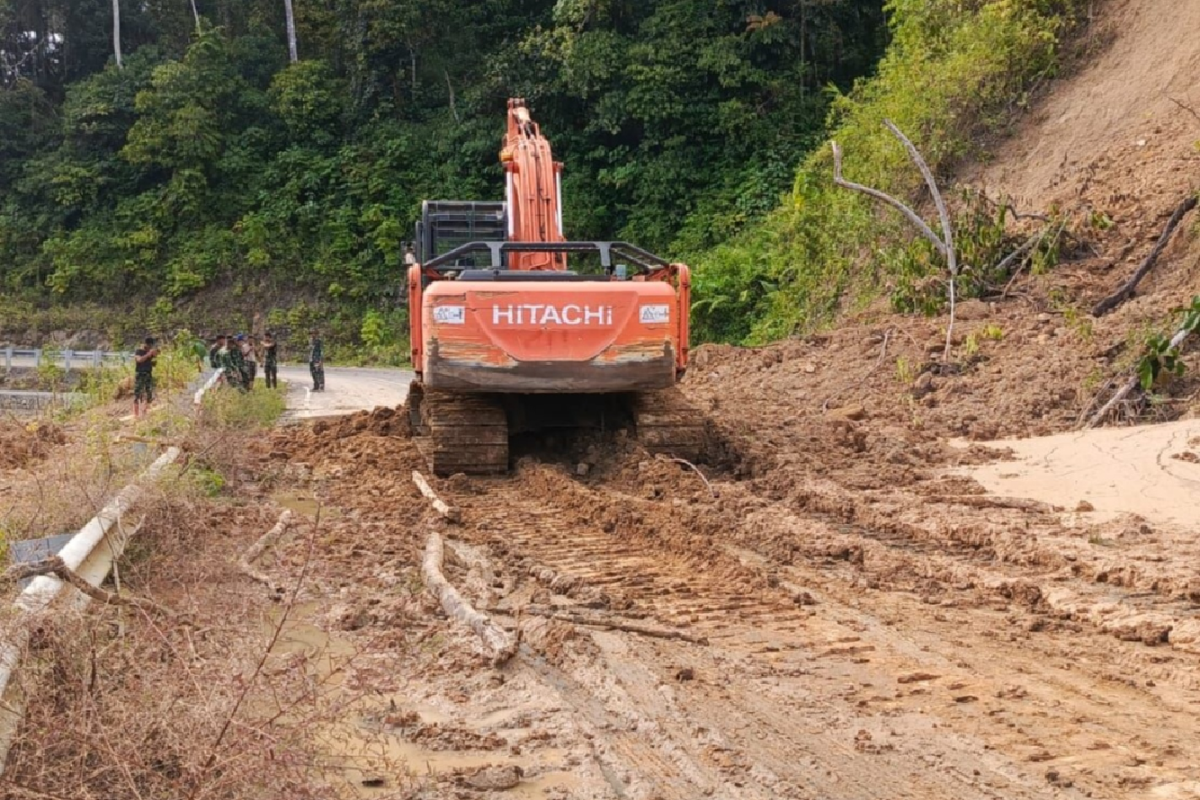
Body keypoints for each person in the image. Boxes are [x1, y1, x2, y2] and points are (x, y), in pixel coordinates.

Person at [132, 336, 160, 419]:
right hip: (140, 374)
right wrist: (148, 354)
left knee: (149, 393)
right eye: (150, 346)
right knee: (137, 394)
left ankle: (145, 411)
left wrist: (153, 361)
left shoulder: (150, 353)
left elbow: (151, 361)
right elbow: (139, 360)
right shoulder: (139, 351)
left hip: (148, 374)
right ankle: (135, 415)